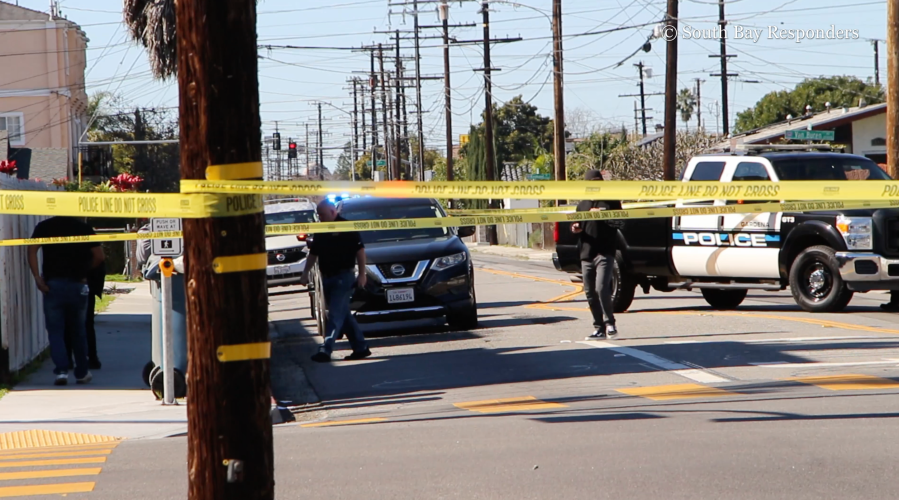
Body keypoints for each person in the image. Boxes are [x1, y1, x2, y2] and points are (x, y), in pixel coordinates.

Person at [28, 217, 105, 385]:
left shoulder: (44, 226)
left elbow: (32, 250)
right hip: (78, 285)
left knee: (55, 331)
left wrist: (37, 278)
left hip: (52, 285)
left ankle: (61, 371)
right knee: (78, 330)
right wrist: (84, 270)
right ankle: (82, 372)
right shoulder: (83, 228)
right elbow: (99, 256)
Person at [299, 200, 371, 362]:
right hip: (327, 278)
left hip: (344, 277)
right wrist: (305, 273)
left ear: (333, 212)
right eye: (319, 215)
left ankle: (325, 349)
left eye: (322, 214)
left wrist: (362, 274)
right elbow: (313, 253)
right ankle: (361, 348)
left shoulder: (347, 227)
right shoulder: (320, 229)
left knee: (335, 315)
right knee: (343, 314)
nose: (320, 217)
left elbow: (360, 251)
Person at [571, 169, 622, 340]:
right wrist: (576, 227)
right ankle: (598, 327)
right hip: (586, 253)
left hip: (605, 252)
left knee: (601, 288)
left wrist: (603, 216)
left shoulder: (611, 201)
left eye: (597, 182)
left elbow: (620, 222)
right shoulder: (582, 204)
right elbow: (577, 224)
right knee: (589, 292)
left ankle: (610, 323)